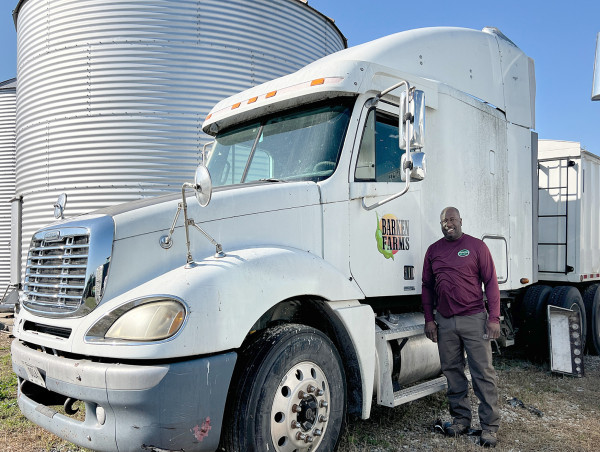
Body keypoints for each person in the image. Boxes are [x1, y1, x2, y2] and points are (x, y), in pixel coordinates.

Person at [421, 207, 501, 447]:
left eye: (452, 219)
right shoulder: (433, 251)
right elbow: (426, 286)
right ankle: (460, 420)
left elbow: (491, 282)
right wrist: (429, 319)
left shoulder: (477, 247)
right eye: (444, 220)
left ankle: (489, 427)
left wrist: (494, 318)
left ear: (461, 220)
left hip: (474, 318)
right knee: (452, 372)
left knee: (482, 373)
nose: (448, 224)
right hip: (445, 321)